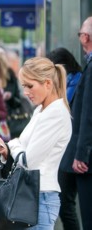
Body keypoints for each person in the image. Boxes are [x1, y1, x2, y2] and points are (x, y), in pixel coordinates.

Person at [0, 57, 72, 230]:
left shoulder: (55, 113)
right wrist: (7, 149)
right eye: (23, 86)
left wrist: (12, 144)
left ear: (47, 83)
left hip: (39, 198)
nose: (25, 92)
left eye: (30, 86)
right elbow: (24, 151)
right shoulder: (41, 110)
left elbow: (28, 161)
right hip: (30, 195)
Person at [59, 16, 92, 230]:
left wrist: (81, 153)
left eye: (80, 32)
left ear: (85, 37)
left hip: (86, 159)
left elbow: (88, 112)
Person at [47, 47, 82, 230]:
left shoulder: (79, 83)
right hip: (62, 152)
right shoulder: (64, 84)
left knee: (66, 203)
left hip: (73, 152)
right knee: (65, 203)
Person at [0, 50, 27, 137]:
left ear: (0, 62)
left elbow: (17, 97)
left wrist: (9, 96)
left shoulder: (9, 75)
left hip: (8, 117)